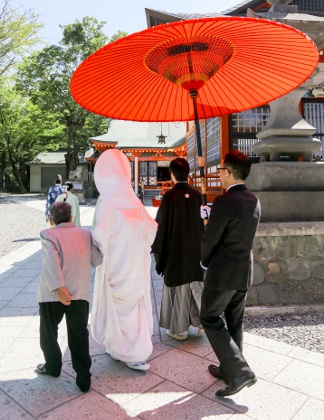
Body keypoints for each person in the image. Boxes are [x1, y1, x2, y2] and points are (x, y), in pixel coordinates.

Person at [199, 150, 261, 397]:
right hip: (244, 270)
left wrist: (204, 262)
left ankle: (241, 371)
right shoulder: (254, 199)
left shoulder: (225, 201)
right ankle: (230, 369)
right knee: (234, 321)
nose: (219, 173)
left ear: (229, 172)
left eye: (221, 169)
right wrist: (211, 214)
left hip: (223, 272)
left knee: (210, 317)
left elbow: (211, 239)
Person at [91, 149, 157, 371]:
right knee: (134, 307)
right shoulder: (134, 201)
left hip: (117, 265)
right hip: (136, 264)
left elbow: (100, 237)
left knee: (118, 309)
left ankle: (124, 350)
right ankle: (138, 349)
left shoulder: (109, 203)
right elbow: (151, 229)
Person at [36, 202, 102, 393]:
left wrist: (59, 288)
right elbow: (96, 261)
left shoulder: (48, 234)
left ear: (51, 220)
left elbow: (51, 261)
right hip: (79, 294)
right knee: (79, 335)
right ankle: (83, 379)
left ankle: (53, 367)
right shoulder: (85, 234)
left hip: (52, 295)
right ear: (71, 217)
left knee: (48, 333)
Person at [151, 157, 204, 341]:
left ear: (172, 174)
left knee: (179, 287)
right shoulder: (198, 195)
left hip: (176, 251)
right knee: (196, 285)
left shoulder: (169, 197)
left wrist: (158, 250)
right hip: (196, 250)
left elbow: (161, 227)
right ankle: (202, 323)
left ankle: (179, 330)